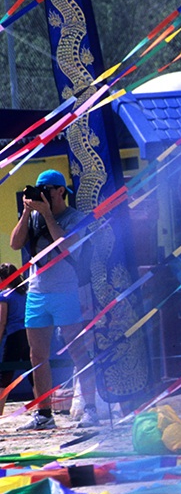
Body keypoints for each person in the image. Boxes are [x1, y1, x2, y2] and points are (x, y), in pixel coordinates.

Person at [9, 169, 98, 431]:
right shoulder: (33, 217)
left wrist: (47, 214)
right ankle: (44, 413)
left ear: (61, 191)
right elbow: (15, 244)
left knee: (78, 351)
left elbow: (66, 246)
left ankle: (90, 408)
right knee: (37, 355)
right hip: (37, 293)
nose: (43, 194)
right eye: (39, 190)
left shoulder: (75, 218)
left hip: (67, 291)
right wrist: (27, 212)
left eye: (47, 190)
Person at [0, 263, 30, 415]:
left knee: (5, 375)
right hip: (28, 334)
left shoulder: (4, 296)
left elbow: (2, 321)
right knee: (32, 373)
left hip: (14, 336)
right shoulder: (24, 293)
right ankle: (44, 408)